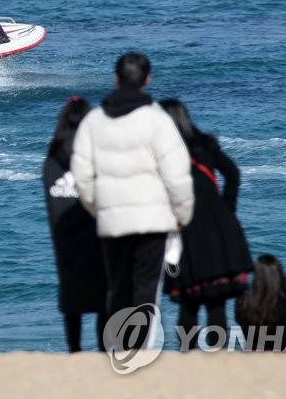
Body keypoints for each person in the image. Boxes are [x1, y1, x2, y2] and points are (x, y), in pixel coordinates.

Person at [71, 52, 194, 350]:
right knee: (145, 290)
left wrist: (98, 209)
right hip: (153, 220)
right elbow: (177, 175)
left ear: (116, 78)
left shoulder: (93, 121)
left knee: (118, 287)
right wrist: (182, 213)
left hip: (112, 220)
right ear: (147, 79)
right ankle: (137, 352)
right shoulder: (158, 120)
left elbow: (82, 177)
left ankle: (118, 349)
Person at [158, 98, 253, 350]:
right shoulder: (206, 144)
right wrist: (227, 209)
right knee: (216, 301)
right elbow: (233, 174)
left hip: (183, 227)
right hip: (217, 226)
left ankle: (188, 355)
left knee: (189, 300)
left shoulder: (158, 155)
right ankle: (219, 355)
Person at [42, 96, 109, 352]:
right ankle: (104, 350)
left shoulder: (50, 160)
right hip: (95, 234)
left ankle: (75, 350)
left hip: (63, 236)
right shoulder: (94, 157)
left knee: (72, 296)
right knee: (103, 296)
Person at [234, 254, 286, 351]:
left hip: (253, 355)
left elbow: (239, 320)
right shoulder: (285, 306)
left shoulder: (243, 302)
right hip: (281, 357)